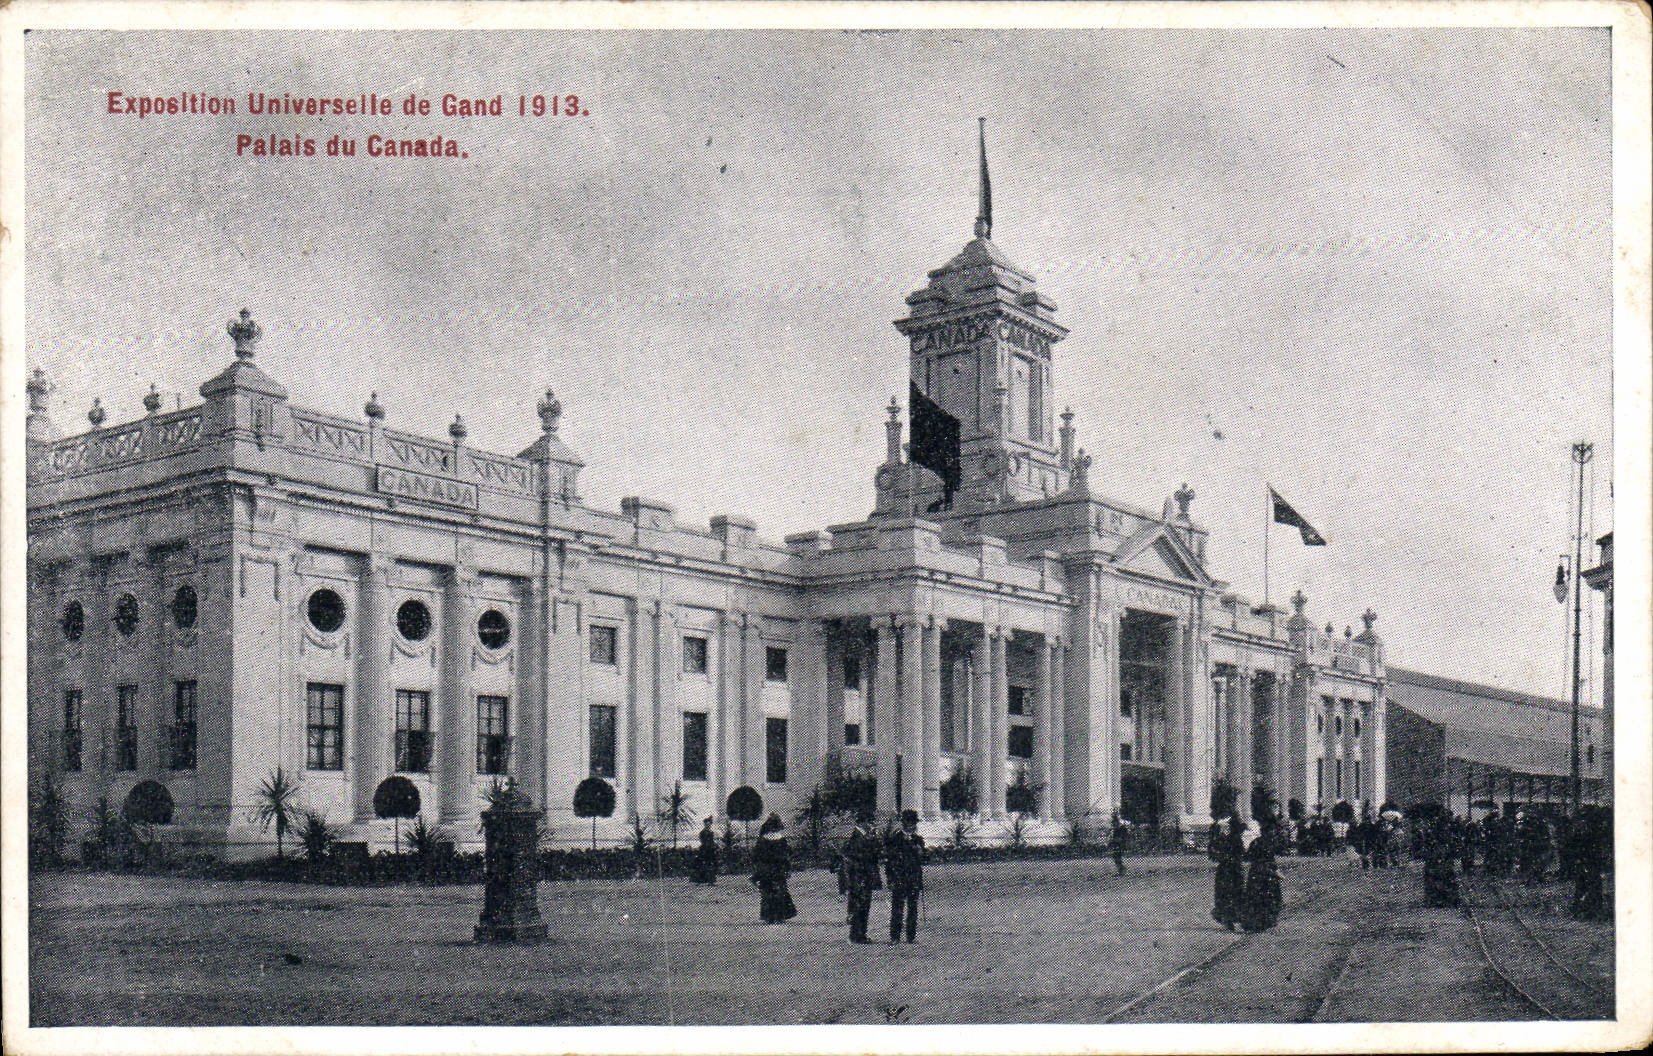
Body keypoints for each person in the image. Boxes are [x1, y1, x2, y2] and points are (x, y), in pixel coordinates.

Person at [884, 809, 925, 943]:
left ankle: (911, 936)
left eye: (914, 823)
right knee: (897, 908)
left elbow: (924, 858)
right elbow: (890, 860)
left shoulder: (918, 839)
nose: (913, 826)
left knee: (913, 908)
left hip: (914, 878)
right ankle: (895, 936)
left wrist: (920, 852)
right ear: (904, 823)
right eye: (910, 823)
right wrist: (890, 878)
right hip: (899, 877)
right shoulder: (895, 839)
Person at [841, 812, 883, 943]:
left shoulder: (864, 836)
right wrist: (872, 842)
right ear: (862, 823)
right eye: (869, 822)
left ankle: (860, 934)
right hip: (859, 876)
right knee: (860, 906)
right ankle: (857, 935)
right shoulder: (857, 837)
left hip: (864, 876)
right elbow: (861, 856)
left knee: (864, 905)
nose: (871, 825)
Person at [750, 813, 797, 924]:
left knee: (767, 892)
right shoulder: (781, 839)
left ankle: (769, 916)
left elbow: (756, 855)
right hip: (779, 869)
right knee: (780, 891)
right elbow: (786, 855)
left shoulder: (763, 840)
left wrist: (758, 870)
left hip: (766, 869)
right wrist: (787, 868)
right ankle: (780, 916)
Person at [1239, 815, 1283, 932]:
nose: (1273, 833)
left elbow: (1247, 857)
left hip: (1256, 871)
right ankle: (1266, 921)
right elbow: (1271, 859)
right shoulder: (1270, 843)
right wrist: (1276, 870)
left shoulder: (1255, 842)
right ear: (1268, 832)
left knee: (1255, 897)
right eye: (1272, 831)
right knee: (1269, 896)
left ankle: (1254, 922)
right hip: (1267, 872)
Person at [1208, 808, 1245, 931]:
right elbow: (1212, 852)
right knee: (1226, 892)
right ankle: (1227, 918)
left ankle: (1234, 917)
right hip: (1227, 867)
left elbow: (1241, 851)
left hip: (1234, 867)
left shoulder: (1235, 835)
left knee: (1235, 892)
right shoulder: (1217, 835)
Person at [690, 817, 719, 885]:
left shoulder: (711, 832)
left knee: (711, 865)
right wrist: (708, 845)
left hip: (710, 850)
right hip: (704, 850)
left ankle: (711, 881)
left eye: (709, 824)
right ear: (705, 825)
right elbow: (703, 841)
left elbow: (711, 841)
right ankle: (699, 881)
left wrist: (714, 845)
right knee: (702, 865)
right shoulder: (702, 832)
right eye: (707, 824)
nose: (708, 826)